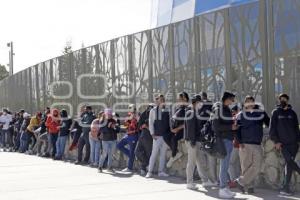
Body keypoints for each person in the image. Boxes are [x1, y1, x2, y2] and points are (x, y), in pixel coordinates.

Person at [234, 96, 270, 194]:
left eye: (251, 102)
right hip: (244, 144)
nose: (249, 103)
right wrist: (240, 142)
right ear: (245, 103)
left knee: (257, 166)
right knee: (245, 166)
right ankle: (249, 187)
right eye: (247, 102)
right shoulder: (240, 115)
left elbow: (269, 123)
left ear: (254, 103)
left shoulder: (260, 113)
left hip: (257, 143)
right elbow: (237, 130)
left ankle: (240, 182)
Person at [269, 93, 300, 196]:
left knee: (289, 166)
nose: (282, 101)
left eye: (284, 99)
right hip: (283, 144)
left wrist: (298, 141)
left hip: (294, 144)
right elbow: (272, 129)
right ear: (279, 100)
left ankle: (285, 188)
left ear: (287, 100)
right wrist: (276, 141)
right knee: (289, 161)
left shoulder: (293, 113)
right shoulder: (276, 113)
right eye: (281, 99)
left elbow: (296, 128)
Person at [212, 91, 237, 199]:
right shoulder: (219, 109)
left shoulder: (226, 109)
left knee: (225, 165)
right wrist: (230, 128)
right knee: (224, 165)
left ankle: (225, 187)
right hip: (224, 140)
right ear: (226, 99)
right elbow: (216, 126)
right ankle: (222, 188)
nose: (233, 101)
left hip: (228, 139)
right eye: (232, 99)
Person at [146, 94, 170, 178]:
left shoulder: (167, 110)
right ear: (157, 101)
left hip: (165, 136)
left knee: (163, 154)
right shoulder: (153, 111)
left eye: (163, 99)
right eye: (160, 100)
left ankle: (161, 171)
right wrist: (152, 134)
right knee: (154, 153)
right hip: (157, 136)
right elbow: (150, 123)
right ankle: (149, 171)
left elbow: (169, 123)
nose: (161, 101)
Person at [166, 92, 189, 168]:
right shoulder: (179, 108)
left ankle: (173, 156)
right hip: (176, 129)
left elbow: (187, 122)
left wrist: (177, 129)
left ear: (185, 99)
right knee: (165, 136)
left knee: (174, 138)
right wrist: (172, 128)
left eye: (180, 99)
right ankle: (177, 153)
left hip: (183, 130)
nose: (178, 101)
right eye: (178, 99)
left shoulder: (188, 108)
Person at [117, 104, 139, 172]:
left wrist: (133, 117)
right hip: (128, 134)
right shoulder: (129, 115)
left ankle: (129, 168)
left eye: (131, 108)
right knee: (119, 145)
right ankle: (131, 156)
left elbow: (136, 124)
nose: (129, 109)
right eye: (129, 108)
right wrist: (129, 119)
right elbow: (125, 124)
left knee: (132, 151)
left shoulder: (137, 115)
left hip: (134, 135)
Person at [98, 108, 120, 173]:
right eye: (108, 114)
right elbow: (101, 130)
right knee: (104, 154)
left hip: (113, 139)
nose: (109, 115)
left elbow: (118, 130)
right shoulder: (102, 121)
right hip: (105, 140)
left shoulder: (114, 120)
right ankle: (100, 167)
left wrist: (115, 127)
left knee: (111, 154)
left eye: (110, 114)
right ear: (105, 114)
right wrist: (108, 126)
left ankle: (109, 167)